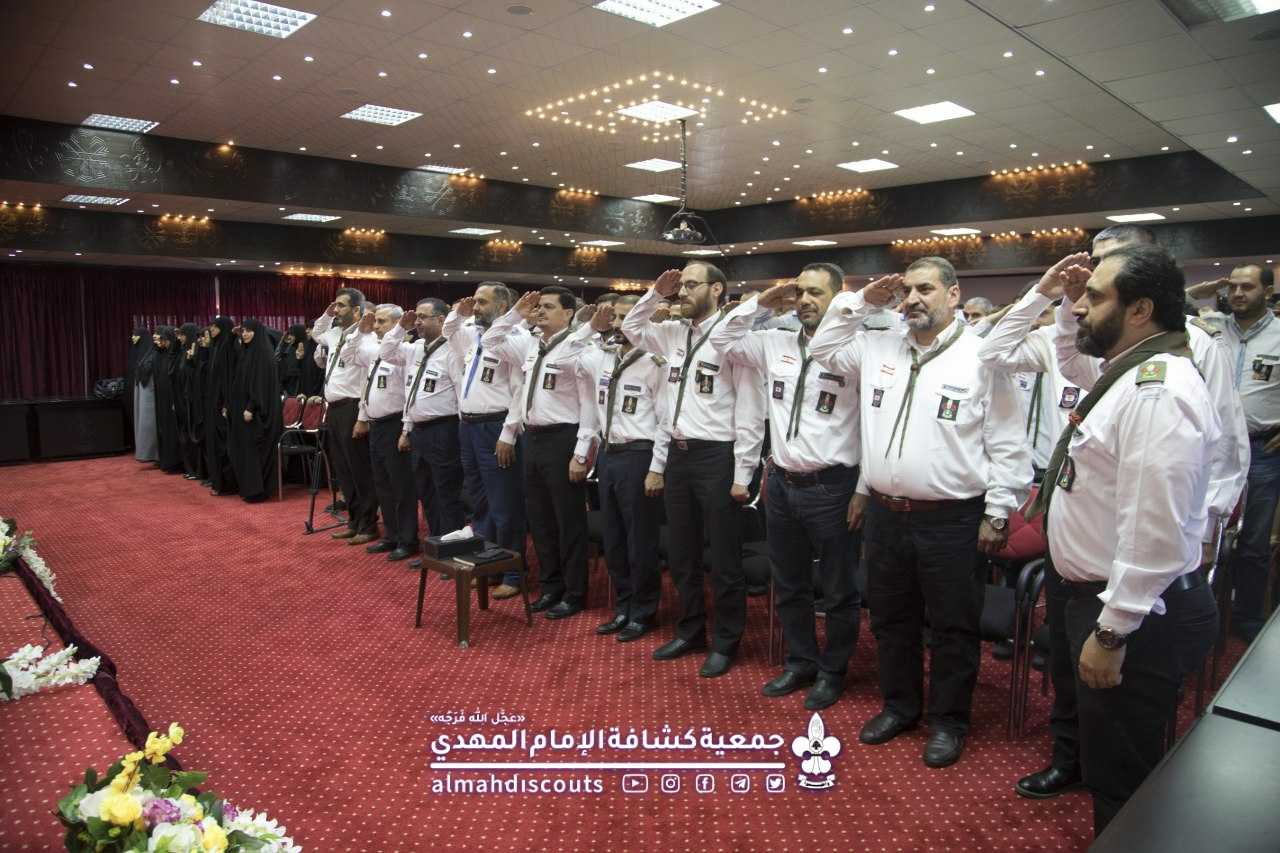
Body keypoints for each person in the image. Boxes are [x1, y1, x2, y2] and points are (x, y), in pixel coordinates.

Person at [1012, 233, 1250, 802]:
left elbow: (1154, 528)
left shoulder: (1155, 390)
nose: (1078, 308)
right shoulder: (1126, 370)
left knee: (1122, 774)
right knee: (1103, 747)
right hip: (1091, 591)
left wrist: (1113, 628)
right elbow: (1070, 357)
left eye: (1094, 297)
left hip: (1133, 612)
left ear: (1140, 310)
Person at [809, 256, 1032, 768]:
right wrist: (860, 301)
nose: (912, 299)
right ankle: (900, 707)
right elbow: (823, 348)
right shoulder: (878, 345)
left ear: (954, 295)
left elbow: (1007, 444)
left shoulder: (982, 355)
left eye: (925, 289)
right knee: (891, 618)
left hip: (952, 518)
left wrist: (998, 513)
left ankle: (949, 721)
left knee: (953, 627)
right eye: (907, 290)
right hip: (886, 514)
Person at [709, 263, 863, 710]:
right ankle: (801, 661)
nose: (805, 301)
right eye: (801, 293)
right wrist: (760, 304)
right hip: (781, 482)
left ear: (838, 298)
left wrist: (864, 488)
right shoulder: (774, 342)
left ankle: (834, 671)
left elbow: (874, 424)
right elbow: (721, 340)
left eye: (817, 293)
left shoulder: (857, 350)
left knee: (837, 589)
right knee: (789, 583)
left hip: (833, 485)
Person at [622, 263, 766, 679]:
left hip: (718, 457)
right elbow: (632, 327)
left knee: (723, 557)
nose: (682, 292)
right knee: (682, 554)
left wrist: (743, 474)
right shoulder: (672, 333)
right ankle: (690, 631)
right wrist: (656, 293)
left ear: (716, 289)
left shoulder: (735, 340)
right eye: (680, 285)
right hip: (679, 455)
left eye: (690, 285)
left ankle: (726, 641)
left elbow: (750, 412)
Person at [482, 287, 596, 619]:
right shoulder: (531, 344)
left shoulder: (580, 348)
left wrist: (581, 452)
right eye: (539, 307)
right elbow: (490, 340)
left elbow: (589, 404)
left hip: (564, 438)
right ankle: (550, 587)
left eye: (548, 307)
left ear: (568, 313)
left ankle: (574, 593)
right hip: (532, 438)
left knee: (567, 521)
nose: (540, 312)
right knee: (540, 519)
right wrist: (516, 313)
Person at [562, 295, 668, 640]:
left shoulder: (655, 362)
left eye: (626, 317)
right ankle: (623, 606)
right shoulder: (601, 357)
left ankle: (644, 610)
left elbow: (665, 421)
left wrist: (657, 467)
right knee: (614, 538)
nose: (620, 325)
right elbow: (564, 355)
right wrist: (590, 326)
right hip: (608, 455)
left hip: (639, 455)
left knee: (640, 540)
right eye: (615, 317)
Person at [442, 284, 526, 591]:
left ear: (502, 307)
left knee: (504, 505)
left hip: (496, 427)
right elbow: (449, 331)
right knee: (479, 503)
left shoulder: (517, 337)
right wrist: (457, 312)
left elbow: (520, 391)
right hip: (468, 426)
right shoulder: (472, 334)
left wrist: (509, 433)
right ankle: (487, 565)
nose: (475, 307)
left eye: (482, 302)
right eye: (475, 301)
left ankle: (513, 574)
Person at [1217, 263, 1280, 642]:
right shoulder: (1211, 328)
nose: (1238, 293)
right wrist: (1204, 290)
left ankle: (1246, 618)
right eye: (1233, 286)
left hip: (1262, 451)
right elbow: (1170, 308)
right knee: (1204, 537)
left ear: (1267, 292)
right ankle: (1205, 613)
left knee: (1254, 543)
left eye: (1248, 287)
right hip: (1213, 449)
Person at [380, 298, 465, 570]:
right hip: (419, 430)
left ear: (441, 320)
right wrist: (400, 328)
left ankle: (453, 553)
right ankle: (435, 548)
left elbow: (461, 394)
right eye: (416, 316)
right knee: (426, 493)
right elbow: (386, 352)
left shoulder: (452, 350)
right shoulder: (416, 349)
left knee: (447, 494)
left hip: (445, 429)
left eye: (423, 317)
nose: (417, 321)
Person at [343, 304, 418, 561]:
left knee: (401, 486)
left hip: (395, 423)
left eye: (382, 322)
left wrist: (406, 429)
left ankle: (408, 539)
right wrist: (360, 331)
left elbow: (409, 394)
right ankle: (391, 535)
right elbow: (347, 355)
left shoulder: (406, 353)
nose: (376, 327)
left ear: (399, 324)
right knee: (382, 484)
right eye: (375, 322)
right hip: (376, 425)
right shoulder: (375, 351)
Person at [313, 288, 380, 545]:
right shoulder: (335, 333)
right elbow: (317, 333)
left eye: (341, 306)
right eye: (336, 305)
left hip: (353, 407)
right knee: (343, 470)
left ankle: (369, 525)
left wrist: (363, 416)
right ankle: (353, 520)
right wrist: (326, 313)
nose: (337, 310)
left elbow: (367, 380)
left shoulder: (366, 338)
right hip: (334, 409)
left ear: (356, 310)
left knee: (359, 469)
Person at [226, 319, 282, 502]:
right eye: (243, 331)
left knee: (254, 451)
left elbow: (261, 385)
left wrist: (252, 406)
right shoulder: (247, 352)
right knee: (244, 450)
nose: (245, 334)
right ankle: (248, 488)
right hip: (244, 411)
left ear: (258, 333)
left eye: (249, 331)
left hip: (258, 413)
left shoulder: (264, 354)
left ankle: (257, 491)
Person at [203, 316, 238, 496]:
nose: (211, 329)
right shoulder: (215, 347)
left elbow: (229, 378)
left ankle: (227, 484)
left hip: (223, 404)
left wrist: (227, 402)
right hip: (213, 402)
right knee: (215, 444)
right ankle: (217, 481)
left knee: (224, 444)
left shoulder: (228, 347)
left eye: (214, 327)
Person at [152, 326, 183, 474]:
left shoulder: (175, 354)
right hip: (162, 399)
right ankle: (166, 461)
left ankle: (175, 462)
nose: (161, 342)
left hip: (173, 398)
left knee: (173, 430)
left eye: (163, 339)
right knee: (164, 429)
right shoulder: (161, 354)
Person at [175, 323, 204, 481]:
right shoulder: (183, 351)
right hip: (184, 400)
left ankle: (197, 469)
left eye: (183, 335)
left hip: (194, 401)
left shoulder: (197, 352)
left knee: (194, 435)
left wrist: (191, 360)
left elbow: (195, 376)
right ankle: (190, 468)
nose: (180, 338)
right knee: (185, 435)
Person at [132, 329, 159, 463]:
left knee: (148, 423)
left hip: (149, 394)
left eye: (136, 335)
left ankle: (151, 453)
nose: (133, 338)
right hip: (143, 392)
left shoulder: (154, 353)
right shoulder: (142, 352)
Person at [125, 326, 149, 430]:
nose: (133, 337)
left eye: (136, 335)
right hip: (132, 390)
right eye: (133, 335)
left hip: (144, 392)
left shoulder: (148, 353)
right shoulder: (133, 351)